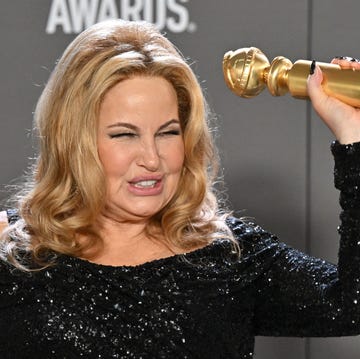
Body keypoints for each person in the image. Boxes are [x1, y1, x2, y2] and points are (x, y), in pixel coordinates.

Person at [0, 19, 360, 359]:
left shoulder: (231, 256)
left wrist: (354, 139)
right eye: (124, 134)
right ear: (72, 142)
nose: (152, 159)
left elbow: (352, 304)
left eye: (168, 132)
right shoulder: (11, 254)